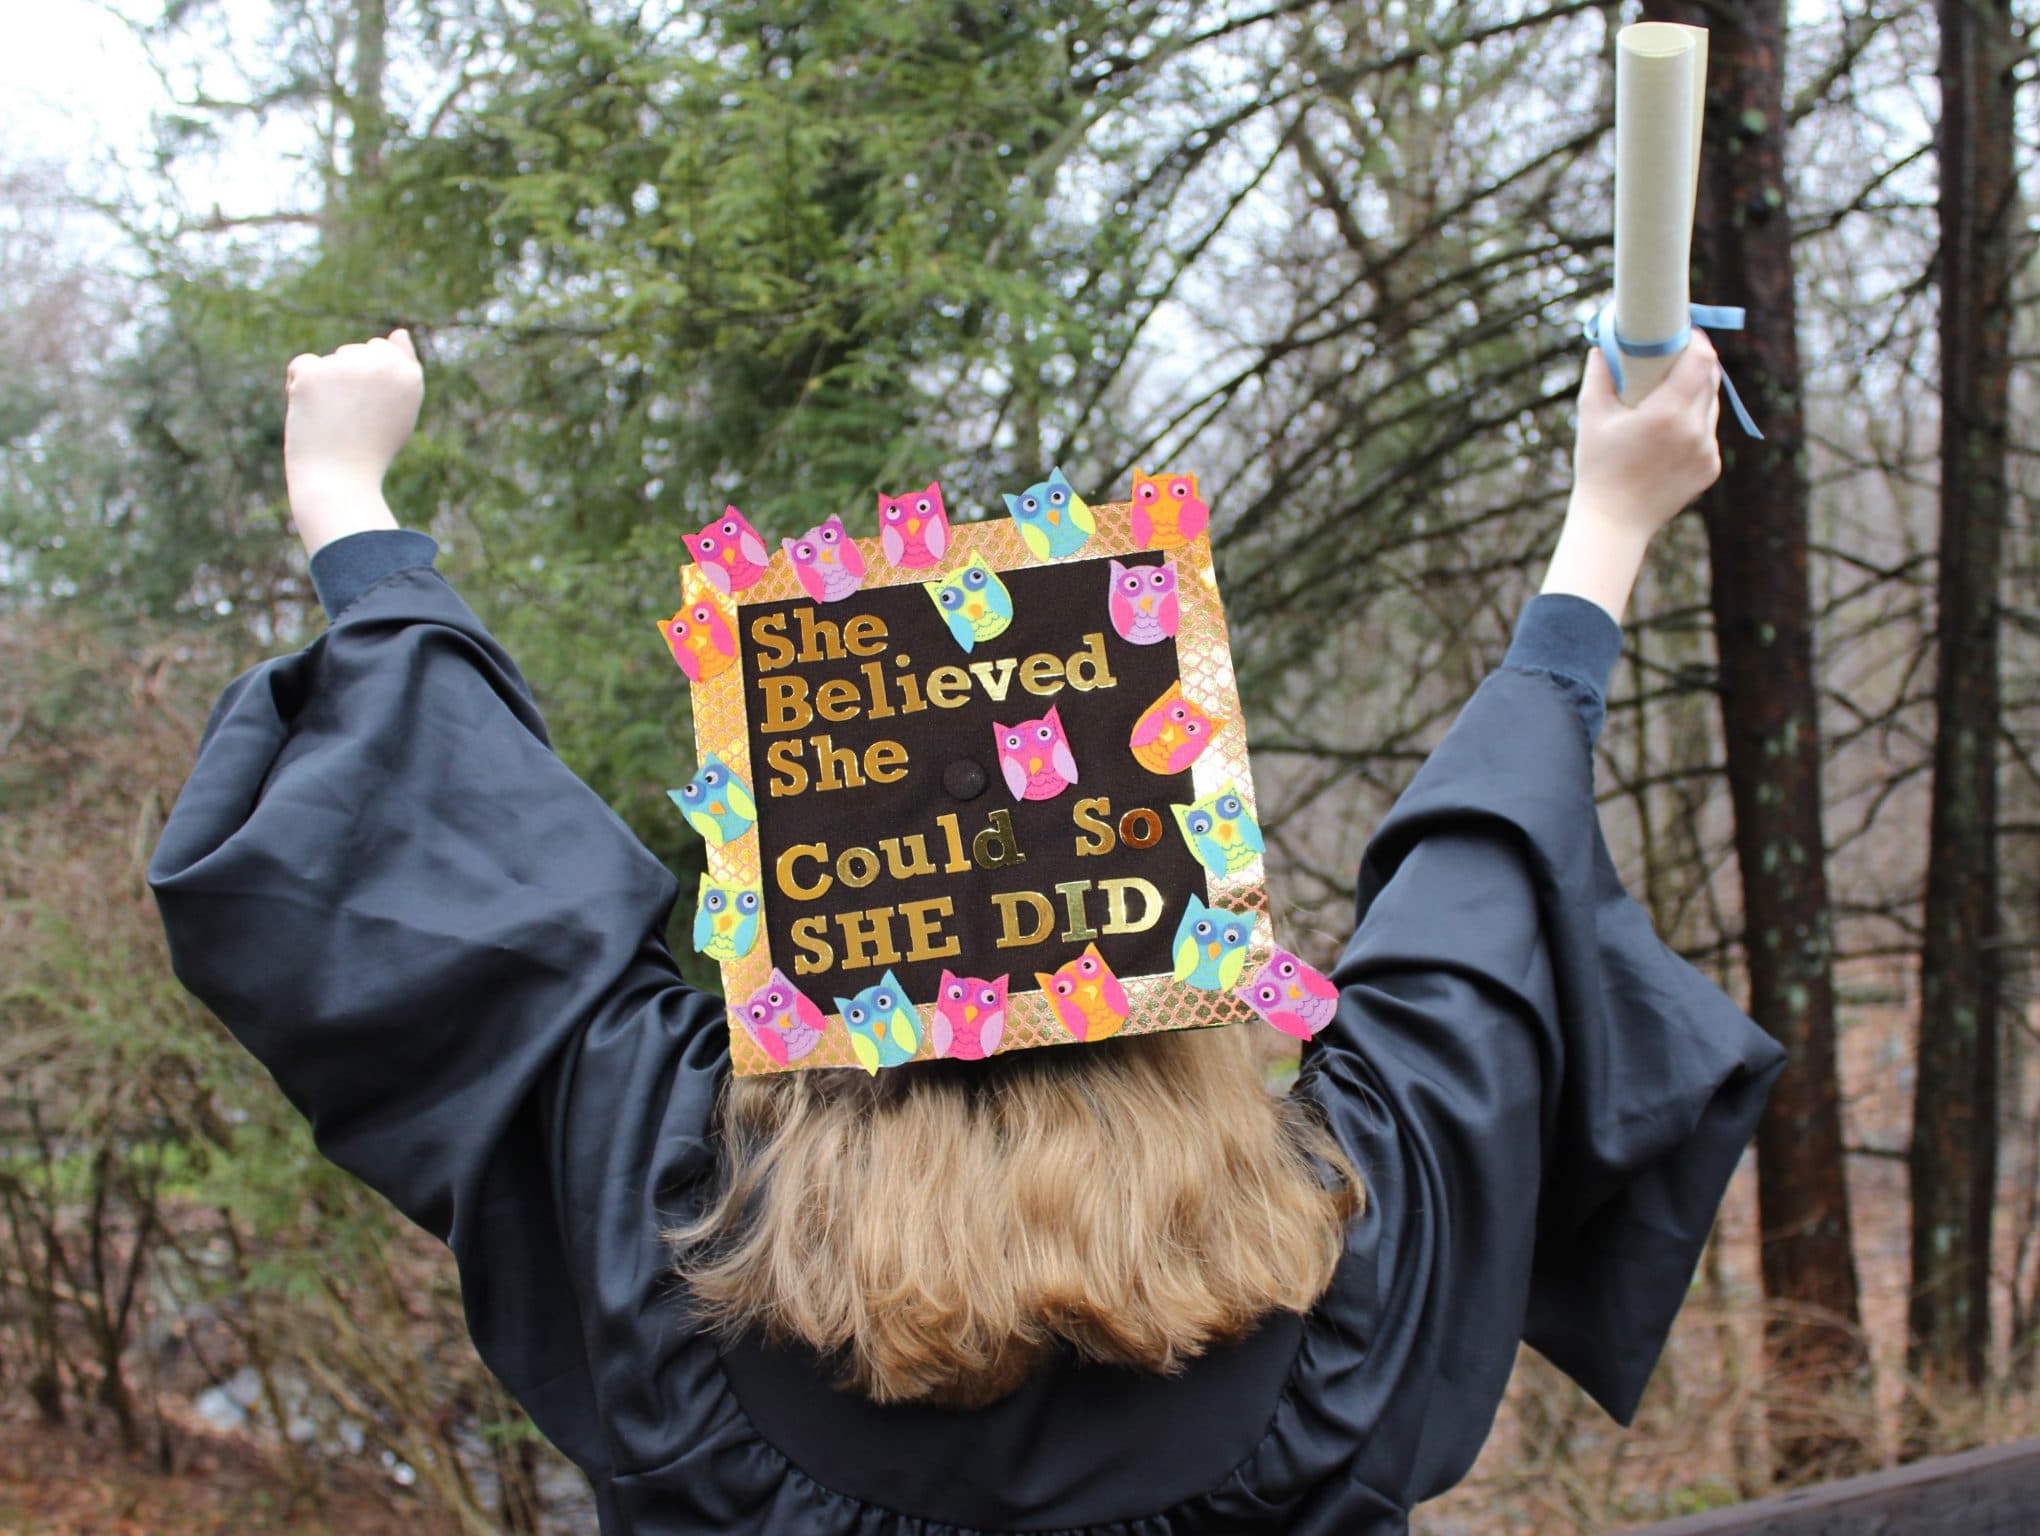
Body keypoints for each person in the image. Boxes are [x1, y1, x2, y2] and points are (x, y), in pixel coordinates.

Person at [148, 323, 1785, 1534]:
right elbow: (1479, 907)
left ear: (791, 954)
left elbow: (482, 876)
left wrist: (348, 502)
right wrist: (1608, 523)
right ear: (1183, 950)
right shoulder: (1351, 1254)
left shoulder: (664, 1240)